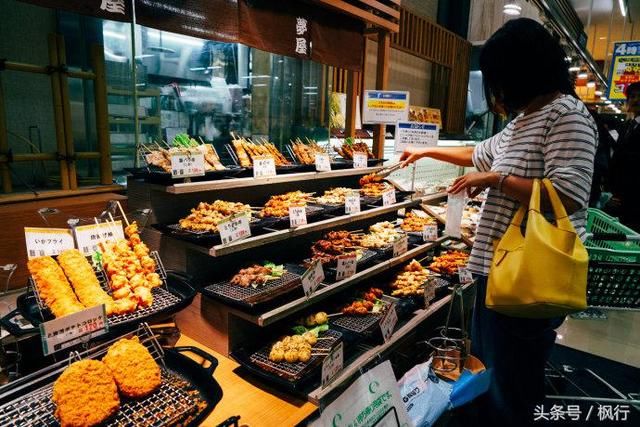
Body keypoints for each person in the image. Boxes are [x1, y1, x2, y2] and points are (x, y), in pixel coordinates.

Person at [400, 18, 597, 426]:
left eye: (500, 79)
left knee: (513, 383)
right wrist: (426, 152)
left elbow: (569, 193)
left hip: (530, 274)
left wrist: (495, 180)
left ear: (524, 72)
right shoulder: (524, 119)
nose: (497, 92)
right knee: (494, 372)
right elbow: (478, 153)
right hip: (499, 272)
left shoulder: (567, 116)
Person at [607, 82, 640, 231]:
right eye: (632, 96)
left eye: (639, 96)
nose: (635, 100)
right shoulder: (626, 126)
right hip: (619, 194)